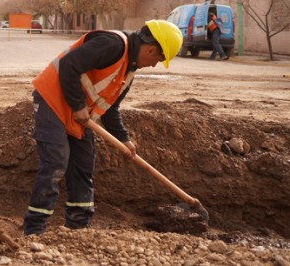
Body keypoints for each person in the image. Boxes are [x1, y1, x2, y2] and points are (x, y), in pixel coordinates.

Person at [22, 19, 183, 236]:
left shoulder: (128, 70)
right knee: (56, 161)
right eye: (158, 59)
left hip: (77, 113)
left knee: (83, 163)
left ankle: (78, 228)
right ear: (152, 49)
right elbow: (69, 65)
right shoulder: (113, 44)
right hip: (52, 100)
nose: (154, 65)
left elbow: (110, 108)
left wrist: (123, 138)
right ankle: (33, 230)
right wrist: (78, 105)